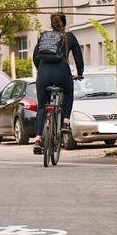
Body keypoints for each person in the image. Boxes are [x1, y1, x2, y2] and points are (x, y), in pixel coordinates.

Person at [32, 12, 84, 154]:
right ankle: (66, 122)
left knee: (42, 107)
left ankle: (38, 139)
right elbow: (78, 57)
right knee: (68, 92)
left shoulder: (43, 36)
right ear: (65, 24)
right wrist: (80, 73)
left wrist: (40, 70)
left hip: (43, 74)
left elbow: (35, 58)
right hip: (62, 72)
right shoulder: (69, 37)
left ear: (51, 23)